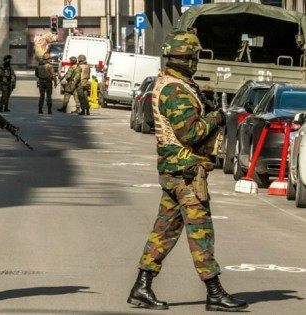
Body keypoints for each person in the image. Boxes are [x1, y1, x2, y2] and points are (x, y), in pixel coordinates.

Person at [127, 29, 248, 312]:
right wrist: (218, 117)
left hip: (176, 172)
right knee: (201, 232)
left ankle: (141, 287)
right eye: (194, 57)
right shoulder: (174, 89)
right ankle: (215, 292)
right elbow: (190, 133)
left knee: (164, 231)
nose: (196, 62)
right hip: (186, 172)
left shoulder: (173, 84)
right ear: (187, 58)